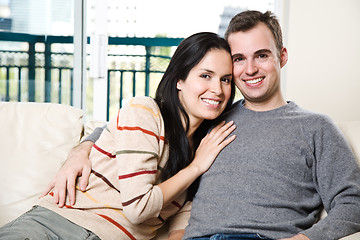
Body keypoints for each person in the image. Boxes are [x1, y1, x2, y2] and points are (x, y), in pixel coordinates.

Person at [38, 10, 360, 240]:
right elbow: (130, 127)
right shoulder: (211, 119)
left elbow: (352, 203)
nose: (249, 69)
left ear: (282, 56)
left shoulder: (315, 127)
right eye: (238, 59)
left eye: (261, 55)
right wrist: (81, 149)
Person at [0, 32, 237, 240]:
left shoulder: (208, 146)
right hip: (55, 225)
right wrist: (195, 167)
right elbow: (139, 208)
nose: (217, 89)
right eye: (205, 76)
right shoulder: (146, 113)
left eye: (225, 80)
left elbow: (184, 218)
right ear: (179, 80)